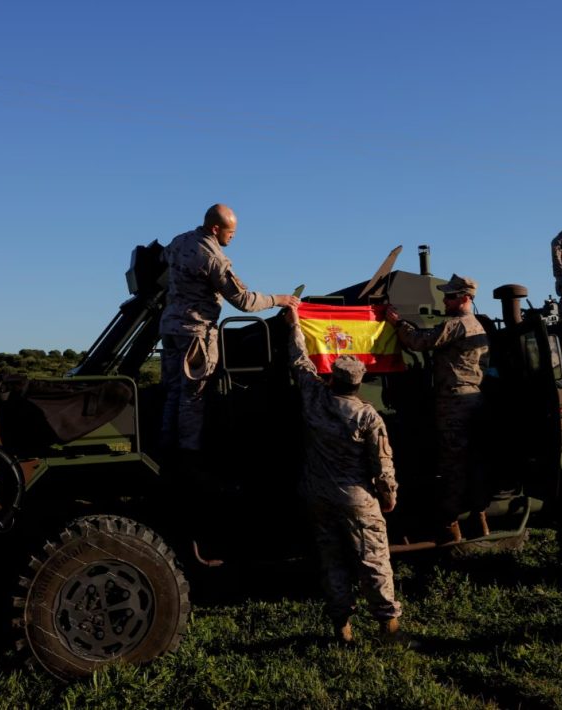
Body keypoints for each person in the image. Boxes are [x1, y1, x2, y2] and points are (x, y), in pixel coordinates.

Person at [283, 304, 409, 645]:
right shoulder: (368, 417)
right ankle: (389, 629)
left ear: (332, 376)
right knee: (374, 561)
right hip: (356, 498)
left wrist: (295, 323)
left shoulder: (313, 397)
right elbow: (382, 465)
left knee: (332, 562)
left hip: (317, 494)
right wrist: (389, 495)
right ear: (360, 382)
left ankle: (342, 629)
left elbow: (299, 360)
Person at [159, 204, 299, 458]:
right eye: (230, 232)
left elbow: (162, 259)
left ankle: (166, 449)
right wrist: (279, 299)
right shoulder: (213, 258)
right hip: (195, 334)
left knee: (173, 392)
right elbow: (243, 300)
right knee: (194, 397)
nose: (233, 236)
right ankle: (189, 459)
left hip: (170, 328)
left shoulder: (179, 241)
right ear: (216, 229)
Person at [386, 274, 489, 543]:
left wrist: (398, 324)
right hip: (473, 399)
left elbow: (419, 342)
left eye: (451, 296)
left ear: (465, 298)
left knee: (451, 466)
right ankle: (480, 521)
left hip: (454, 403)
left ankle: (449, 528)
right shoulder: (478, 326)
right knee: (473, 462)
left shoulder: (456, 325)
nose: (445, 299)